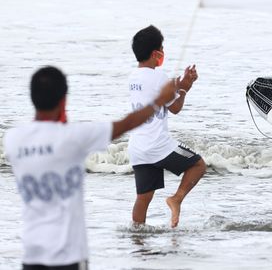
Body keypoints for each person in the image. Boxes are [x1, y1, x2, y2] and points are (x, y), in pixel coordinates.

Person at [3, 66, 177, 270]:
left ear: (32, 98)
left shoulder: (13, 140)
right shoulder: (75, 137)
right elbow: (128, 123)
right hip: (70, 256)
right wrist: (160, 100)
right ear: (63, 100)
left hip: (31, 256)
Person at [128, 25, 206, 228]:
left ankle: (138, 240)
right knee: (198, 165)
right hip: (158, 145)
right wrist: (186, 87)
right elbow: (176, 107)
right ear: (156, 53)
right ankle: (177, 198)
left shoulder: (133, 77)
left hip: (138, 148)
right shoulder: (160, 77)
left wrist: (177, 85)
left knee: (143, 198)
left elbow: (158, 94)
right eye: (162, 48)